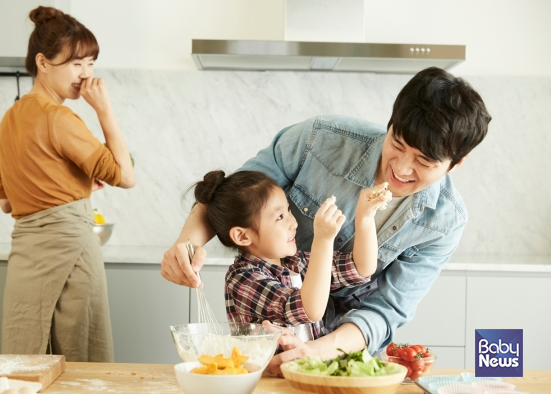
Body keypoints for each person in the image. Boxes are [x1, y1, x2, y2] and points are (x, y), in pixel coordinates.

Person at [161, 66, 491, 374]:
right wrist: (186, 244)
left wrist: (318, 351)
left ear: (456, 163)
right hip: (269, 358)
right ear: (390, 125)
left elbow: (386, 308)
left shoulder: (445, 221)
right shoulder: (320, 139)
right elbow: (231, 196)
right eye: (397, 144)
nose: (401, 169)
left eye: (423, 161)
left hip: (345, 359)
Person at [0, 6, 135, 362]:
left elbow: (8, 204)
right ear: (43, 62)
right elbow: (126, 176)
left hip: (26, 257)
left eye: (90, 63)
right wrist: (104, 110)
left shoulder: (9, 119)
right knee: (80, 358)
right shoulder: (59, 117)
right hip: (72, 248)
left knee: (27, 360)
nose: (85, 75)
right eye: (76, 64)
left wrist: (75, 180)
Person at [191, 170, 391, 339]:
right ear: (242, 236)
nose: (293, 223)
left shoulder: (298, 262)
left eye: (288, 211)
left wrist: (365, 217)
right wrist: (323, 239)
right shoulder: (243, 278)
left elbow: (361, 267)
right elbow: (308, 309)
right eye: (280, 217)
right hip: (265, 381)